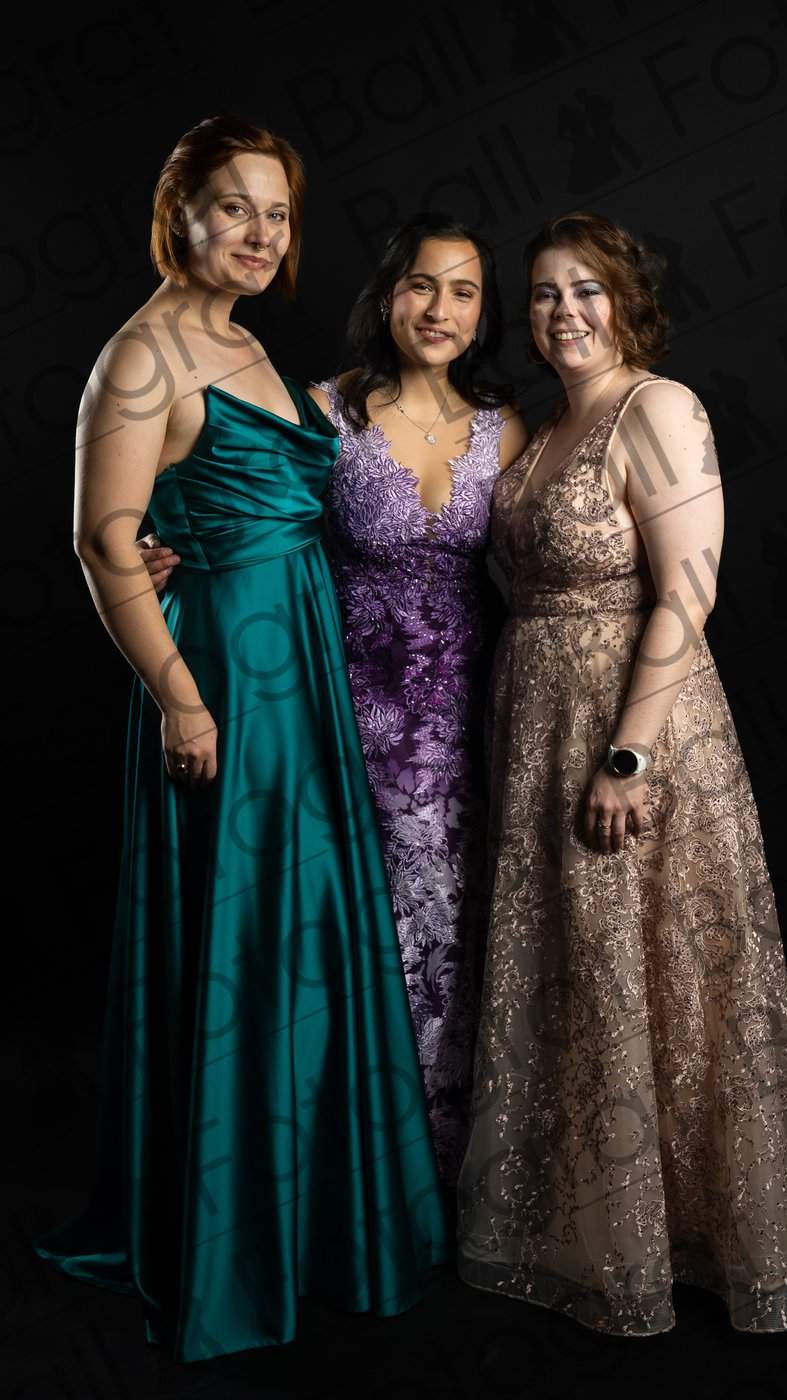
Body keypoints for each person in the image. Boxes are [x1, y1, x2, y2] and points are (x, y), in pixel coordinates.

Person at [32, 115, 449, 1365]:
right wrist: (179, 697)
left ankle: (312, 1217)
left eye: (276, 213)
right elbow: (102, 538)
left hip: (297, 661)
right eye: (234, 207)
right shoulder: (141, 355)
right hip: (224, 675)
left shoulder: (244, 340)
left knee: (302, 928)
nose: (260, 234)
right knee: (241, 931)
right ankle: (230, 1242)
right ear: (181, 214)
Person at [456, 211, 787, 1336]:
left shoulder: (657, 407)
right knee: (583, 968)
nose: (564, 312)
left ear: (627, 299)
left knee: (660, 973)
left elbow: (689, 586)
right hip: (536, 728)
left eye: (585, 289)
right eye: (543, 293)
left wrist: (626, 756)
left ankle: (693, 1234)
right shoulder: (541, 425)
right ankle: (596, 1218)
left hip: (635, 729)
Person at [142, 215, 529, 1190]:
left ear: (483, 314)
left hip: (470, 712)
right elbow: (243, 508)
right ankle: (364, 1170)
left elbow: (545, 557)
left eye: (464, 292)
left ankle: (459, 1168)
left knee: (466, 920)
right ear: (388, 294)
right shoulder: (321, 411)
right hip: (341, 700)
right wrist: (166, 543)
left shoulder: (507, 427)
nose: (439, 309)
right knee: (360, 927)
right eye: (421, 285)